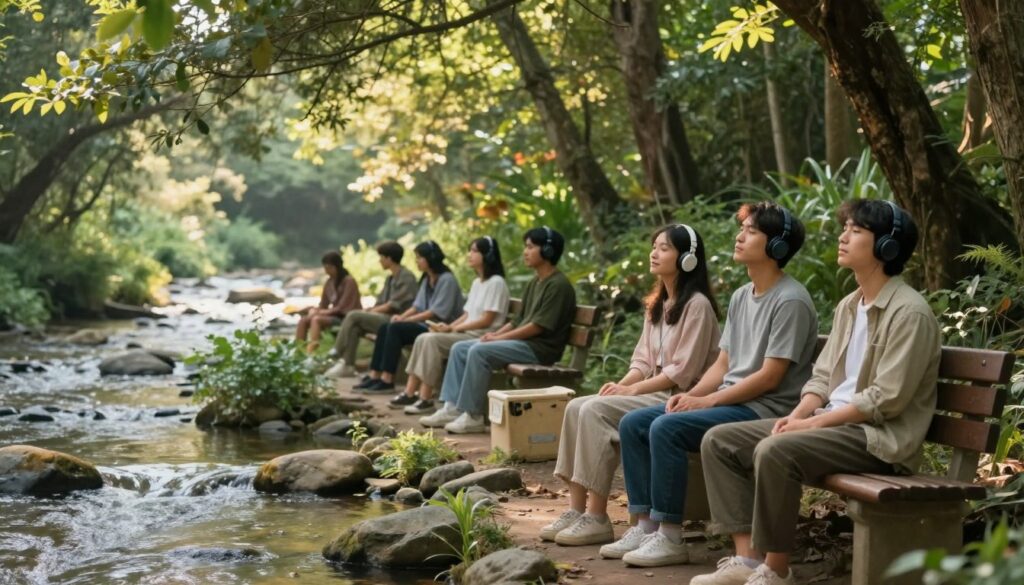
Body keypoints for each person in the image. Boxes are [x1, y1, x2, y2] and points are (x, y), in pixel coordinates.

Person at [693, 200, 938, 585]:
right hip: (835, 425)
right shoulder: (849, 306)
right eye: (846, 228)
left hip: (877, 438)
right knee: (720, 441)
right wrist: (798, 416)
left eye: (856, 231)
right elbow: (822, 378)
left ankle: (776, 570)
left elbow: (886, 399)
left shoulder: (909, 312)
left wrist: (813, 425)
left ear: (886, 247)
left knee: (775, 451)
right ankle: (747, 561)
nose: (843, 236)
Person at [607, 202, 818, 568]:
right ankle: (646, 526)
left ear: (777, 246)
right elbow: (723, 364)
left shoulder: (791, 300)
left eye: (751, 231)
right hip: (732, 401)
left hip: (764, 408)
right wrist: (692, 396)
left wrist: (708, 403)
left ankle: (670, 537)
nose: (740, 236)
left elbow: (770, 376)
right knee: (634, 423)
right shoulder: (741, 295)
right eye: (743, 229)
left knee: (666, 428)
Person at [541, 224, 721, 547]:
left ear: (688, 259)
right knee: (577, 406)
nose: (654, 253)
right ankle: (576, 509)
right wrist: (620, 385)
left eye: (664, 248)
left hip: (680, 396)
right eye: (654, 246)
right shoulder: (657, 304)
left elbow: (682, 372)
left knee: (595, 412)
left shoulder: (697, 306)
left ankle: (597, 517)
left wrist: (632, 391)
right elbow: (642, 360)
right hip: (656, 390)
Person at [419, 226, 576, 434]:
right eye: (525, 247)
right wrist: (496, 335)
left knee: (479, 351)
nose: (525, 252)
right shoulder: (535, 282)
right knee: (460, 348)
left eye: (530, 247)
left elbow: (537, 326)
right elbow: (518, 320)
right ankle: (452, 408)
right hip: (524, 344)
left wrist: (500, 339)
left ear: (548, 250)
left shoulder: (558, 285)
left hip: (540, 349)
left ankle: (473, 416)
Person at [388, 236, 510, 414]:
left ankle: (425, 398)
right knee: (423, 337)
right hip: (467, 333)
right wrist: (448, 327)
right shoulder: (477, 282)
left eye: (474, 251)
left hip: (481, 335)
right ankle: (409, 392)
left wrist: (454, 328)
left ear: (488, 255)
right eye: (469, 250)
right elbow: (467, 314)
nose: (469, 255)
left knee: (430, 340)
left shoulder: (496, 282)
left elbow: (487, 320)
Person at [352, 240, 465, 392]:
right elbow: (417, 306)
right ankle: (375, 375)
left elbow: (436, 312)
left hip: (439, 328)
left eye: (419, 258)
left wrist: (406, 320)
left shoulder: (447, 279)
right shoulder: (426, 279)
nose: (416, 261)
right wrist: (402, 317)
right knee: (386, 327)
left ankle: (387, 379)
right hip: (426, 325)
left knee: (395, 329)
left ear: (430, 258)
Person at [325, 241, 418, 378]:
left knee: (353, 315)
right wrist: (370, 310)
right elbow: (380, 303)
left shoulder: (406, 277)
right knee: (355, 327)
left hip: (398, 319)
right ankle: (347, 365)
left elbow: (392, 305)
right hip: (385, 318)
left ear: (389, 258)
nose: (379, 261)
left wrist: (369, 312)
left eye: (381, 257)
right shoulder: (390, 278)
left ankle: (337, 351)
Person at [295, 251, 361, 352]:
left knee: (316, 319)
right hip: (333, 315)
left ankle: (311, 350)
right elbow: (323, 304)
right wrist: (313, 310)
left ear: (336, 267)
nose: (326, 271)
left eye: (328, 267)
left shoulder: (349, 281)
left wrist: (321, 312)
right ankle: (298, 349)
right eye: (325, 267)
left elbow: (342, 308)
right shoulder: (329, 282)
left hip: (346, 317)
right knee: (304, 320)